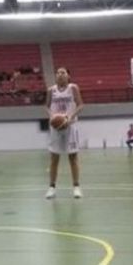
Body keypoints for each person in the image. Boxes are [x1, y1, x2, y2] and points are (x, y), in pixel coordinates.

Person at [45, 67, 84, 200]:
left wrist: (69, 117)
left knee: (72, 157)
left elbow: (80, 105)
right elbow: (46, 106)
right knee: (54, 158)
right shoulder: (51, 90)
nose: (60, 75)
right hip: (56, 128)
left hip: (70, 126)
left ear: (68, 76)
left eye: (63, 72)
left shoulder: (73, 88)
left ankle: (76, 187)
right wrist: (52, 116)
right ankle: (51, 188)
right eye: (58, 73)